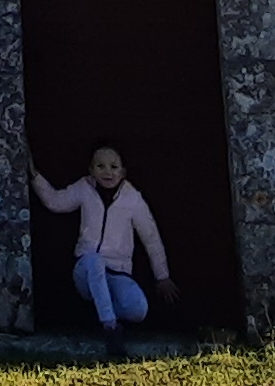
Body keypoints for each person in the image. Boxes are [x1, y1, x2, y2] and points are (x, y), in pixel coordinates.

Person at [29, 139, 175, 356]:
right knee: (94, 260)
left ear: (123, 172)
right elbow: (55, 202)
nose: (108, 172)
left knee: (138, 309)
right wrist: (34, 175)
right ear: (91, 169)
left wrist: (162, 276)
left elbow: (150, 237)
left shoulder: (132, 199)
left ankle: (99, 313)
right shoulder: (84, 188)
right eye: (100, 166)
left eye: (114, 167)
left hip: (118, 273)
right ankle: (111, 330)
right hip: (86, 269)